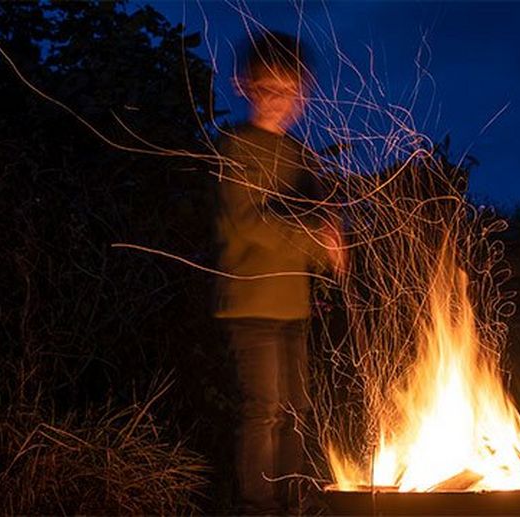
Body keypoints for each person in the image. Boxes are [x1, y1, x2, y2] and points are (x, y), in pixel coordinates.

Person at [213, 30, 345, 513]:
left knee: (296, 411)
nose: (276, 101)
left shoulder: (297, 156)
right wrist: (312, 236)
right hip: (250, 305)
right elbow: (249, 225)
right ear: (245, 85)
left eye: (287, 92)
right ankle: (258, 505)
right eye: (266, 88)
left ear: (303, 94)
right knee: (264, 411)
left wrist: (330, 241)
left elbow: (316, 218)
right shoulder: (236, 149)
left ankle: (291, 500)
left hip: (293, 306)